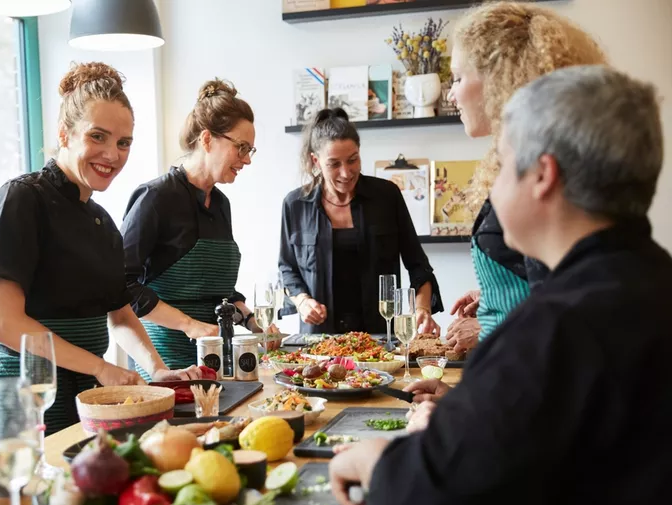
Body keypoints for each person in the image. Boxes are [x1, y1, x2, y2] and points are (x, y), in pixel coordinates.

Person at [328, 64, 672, 505]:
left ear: (543, 176)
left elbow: (434, 486)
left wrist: (373, 462)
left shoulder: (554, 326)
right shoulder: (650, 280)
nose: (492, 188)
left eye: (504, 164)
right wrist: (468, 407)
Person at [0, 62, 198, 454]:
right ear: (64, 134)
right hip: (17, 395)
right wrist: (100, 367)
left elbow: (121, 316)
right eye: (97, 136)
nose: (112, 154)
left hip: (81, 395)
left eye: (124, 143)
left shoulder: (103, 223)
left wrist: (157, 370)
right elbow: (3, 323)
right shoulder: (22, 199)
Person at [443, 1, 607, 354]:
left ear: (498, 78)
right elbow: (539, 279)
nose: (451, 94)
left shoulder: (542, 171)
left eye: (457, 78)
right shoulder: (522, 157)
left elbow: (567, 310)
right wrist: (493, 296)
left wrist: (489, 326)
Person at [121, 79, 278, 379]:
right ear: (207, 139)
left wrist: (252, 322)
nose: (247, 159)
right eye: (241, 148)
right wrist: (188, 324)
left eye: (250, 150)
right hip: (165, 366)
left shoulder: (220, 204)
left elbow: (220, 291)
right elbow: (122, 286)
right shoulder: (154, 198)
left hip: (215, 361)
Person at [279, 108, 442, 335]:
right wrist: (303, 301)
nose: (346, 173)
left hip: (380, 337)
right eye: (334, 164)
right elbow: (287, 269)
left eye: (352, 160)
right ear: (316, 161)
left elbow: (418, 265)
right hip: (318, 340)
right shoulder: (295, 204)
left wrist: (422, 309)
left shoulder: (387, 196)